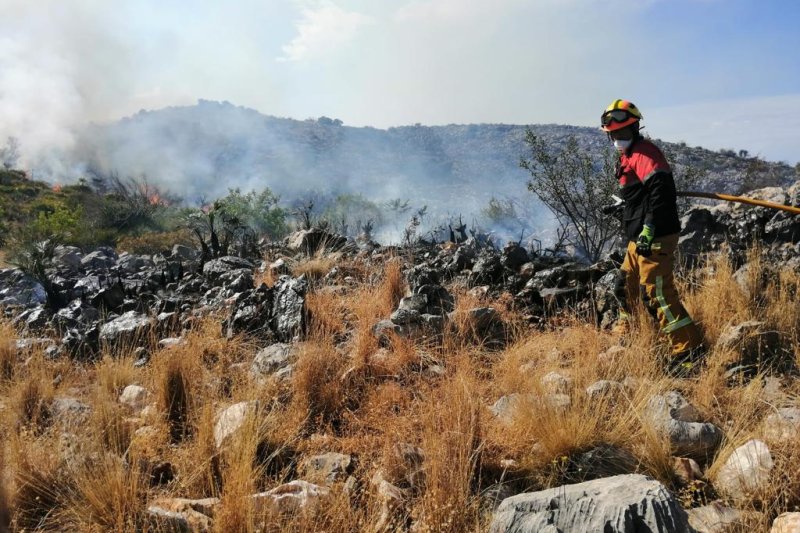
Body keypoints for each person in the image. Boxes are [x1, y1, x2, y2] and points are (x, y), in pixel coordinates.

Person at [600, 99, 704, 374]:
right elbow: (642, 196)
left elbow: (661, 193)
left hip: (654, 236)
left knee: (656, 293)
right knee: (624, 287)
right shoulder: (628, 155)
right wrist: (623, 207)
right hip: (638, 239)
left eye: (623, 133)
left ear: (635, 129)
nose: (618, 139)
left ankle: (690, 351)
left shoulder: (644, 152)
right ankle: (627, 332)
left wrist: (649, 228)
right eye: (614, 135)